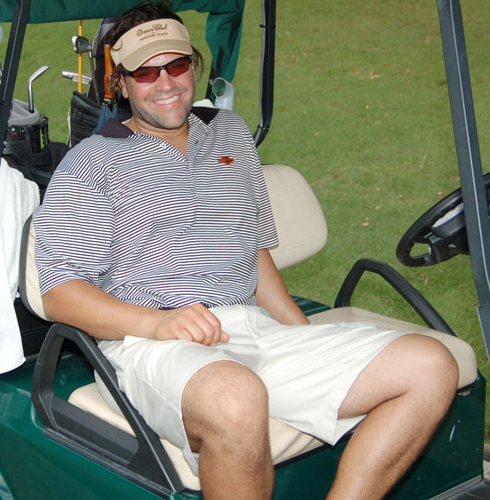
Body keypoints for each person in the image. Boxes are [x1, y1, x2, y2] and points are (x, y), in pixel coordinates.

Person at [33, 2, 459, 498]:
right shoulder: (92, 163)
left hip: (250, 326)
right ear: (121, 84)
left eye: (176, 65)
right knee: (236, 397)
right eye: (146, 72)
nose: (166, 83)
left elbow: (252, 251)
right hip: (149, 342)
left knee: (431, 366)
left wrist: (303, 337)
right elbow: (60, 293)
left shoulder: (230, 133)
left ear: (194, 66)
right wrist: (157, 323)